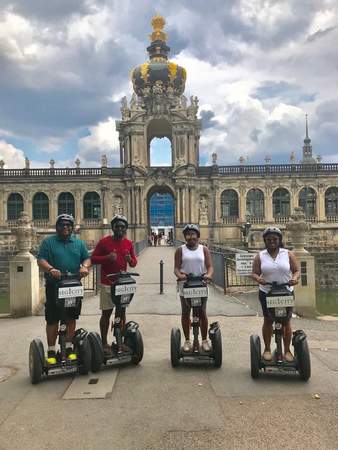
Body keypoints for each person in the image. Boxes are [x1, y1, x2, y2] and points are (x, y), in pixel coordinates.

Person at [37, 214, 90, 364]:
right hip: (55, 286)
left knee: (71, 317)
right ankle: (52, 351)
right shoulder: (49, 242)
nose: (65, 227)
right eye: (62, 225)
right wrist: (51, 268)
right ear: (57, 227)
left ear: (72, 227)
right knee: (53, 319)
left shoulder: (78, 243)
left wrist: (85, 267)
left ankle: (68, 348)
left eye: (68, 225)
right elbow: (41, 260)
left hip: (73, 285)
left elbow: (87, 258)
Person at [251, 226, 300, 362]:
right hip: (267, 292)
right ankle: (267, 349)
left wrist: (295, 278)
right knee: (268, 320)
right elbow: (254, 273)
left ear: (279, 240)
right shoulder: (260, 256)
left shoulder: (287, 254)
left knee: (286, 321)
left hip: (286, 292)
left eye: (274, 239)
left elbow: (296, 270)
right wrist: (258, 278)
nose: (272, 241)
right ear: (265, 241)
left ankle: (287, 350)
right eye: (269, 239)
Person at [91, 214, 137, 356]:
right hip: (107, 283)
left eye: (123, 227)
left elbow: (134, 263)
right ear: (113, 228)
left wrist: (130, 259)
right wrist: (107, 258)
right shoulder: (104, 242)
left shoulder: (128, 243)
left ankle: (120, 340)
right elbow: (93, 259)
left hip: (122, 283)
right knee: (106, 313)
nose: (120, 229)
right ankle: (104, 343)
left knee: (122, 312)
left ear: (126, 229)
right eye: (117, 226)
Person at [174, 224, 214, 352]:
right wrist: (180, 275)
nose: (191, 237)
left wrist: (208, 275)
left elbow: (210, 267)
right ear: (185, 236)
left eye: (193, 234)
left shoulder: (204, 249)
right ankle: (187, 340)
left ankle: (204, 340)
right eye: (188, 234)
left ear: (197, 235)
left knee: (202, 312)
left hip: (200, 284)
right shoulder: (180, 250)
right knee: (186, 312)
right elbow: (176, 268)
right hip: (185, 285)